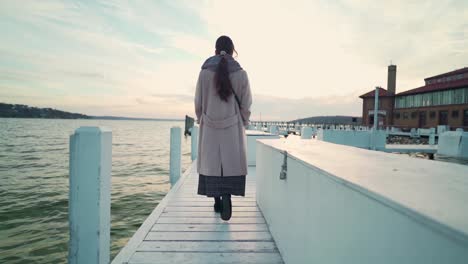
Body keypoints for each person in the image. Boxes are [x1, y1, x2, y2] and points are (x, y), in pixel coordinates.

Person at [194, 35, 252, 221]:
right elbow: (246, 103)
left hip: (210, 126)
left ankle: (217, 199)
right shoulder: (241, 74)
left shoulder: (204, 73)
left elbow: (198, 102)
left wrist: (200, 117)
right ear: (233, 50)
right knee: (229, 163)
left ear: (215, 50)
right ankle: (227, 195)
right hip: (232, 126)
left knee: (213, 164)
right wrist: (244, 119)